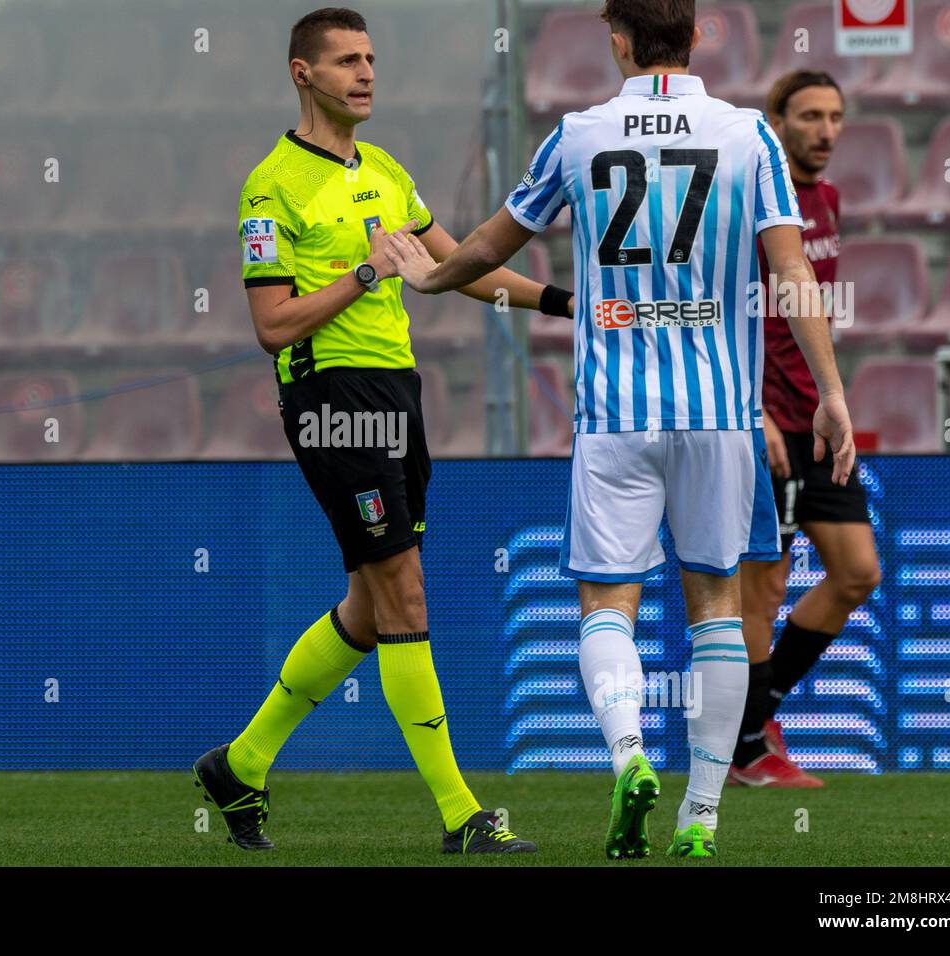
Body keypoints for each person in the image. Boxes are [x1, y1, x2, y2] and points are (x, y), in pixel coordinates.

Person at [382, 0, 855, 860]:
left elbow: (492, 245)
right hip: (721, 418)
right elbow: (789, 267)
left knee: (607, 604)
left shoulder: (578, 135)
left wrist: (431, 275)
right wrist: (831, 389)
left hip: (616, 415)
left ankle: (630, 757)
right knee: (716, 606)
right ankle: (702, 816)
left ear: (618, 40)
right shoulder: (749, 134)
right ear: (698, 36)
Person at [194, 6, 575, 854]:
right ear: (304, 74)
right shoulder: (271, 187)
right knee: (404, 590)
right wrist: (368, 270)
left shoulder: (388, 172)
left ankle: (241, 763)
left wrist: (560, 302)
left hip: (397, 396)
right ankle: (460, 814)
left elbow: (453, 268)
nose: (366, 73)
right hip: (332, 404)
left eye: (371, 59)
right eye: (345, 61)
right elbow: (274, 326)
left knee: (370, 610)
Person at [730, 71, 882, 788]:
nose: (826, 130)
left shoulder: (828, 200)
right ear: (776, 121)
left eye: (836, 116)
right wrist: (748, 409)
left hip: (815, 419)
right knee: (762, 590)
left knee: (856, 571)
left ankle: (755, 719)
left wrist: (829, 396)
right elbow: (724, 310)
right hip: (760, 424)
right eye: (811, 115)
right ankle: (749, 752)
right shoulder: (751, 206)